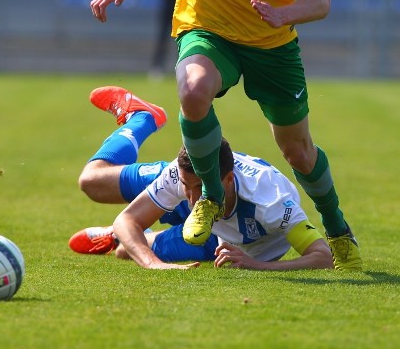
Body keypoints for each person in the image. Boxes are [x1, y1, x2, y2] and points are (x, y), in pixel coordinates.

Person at [89, 0, 360, 270]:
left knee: (298, 150)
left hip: (271, 41)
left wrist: (284, 13)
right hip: (208, 28)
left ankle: (337, 228)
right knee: (193, 90)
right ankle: (211, 196)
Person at [71, 85, 333, 270]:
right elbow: (127, 219)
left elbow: (322, 256)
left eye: (201, 188)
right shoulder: (180, 176)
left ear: (228, 180)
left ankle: (114, 237)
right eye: (187, 187)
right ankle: (142, 118)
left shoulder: (271, 200)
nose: (194, 199)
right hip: (189, 186)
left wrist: (256, 264)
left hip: (219, 243)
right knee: (92, 182)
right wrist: (153, 266)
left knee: (125, 250)